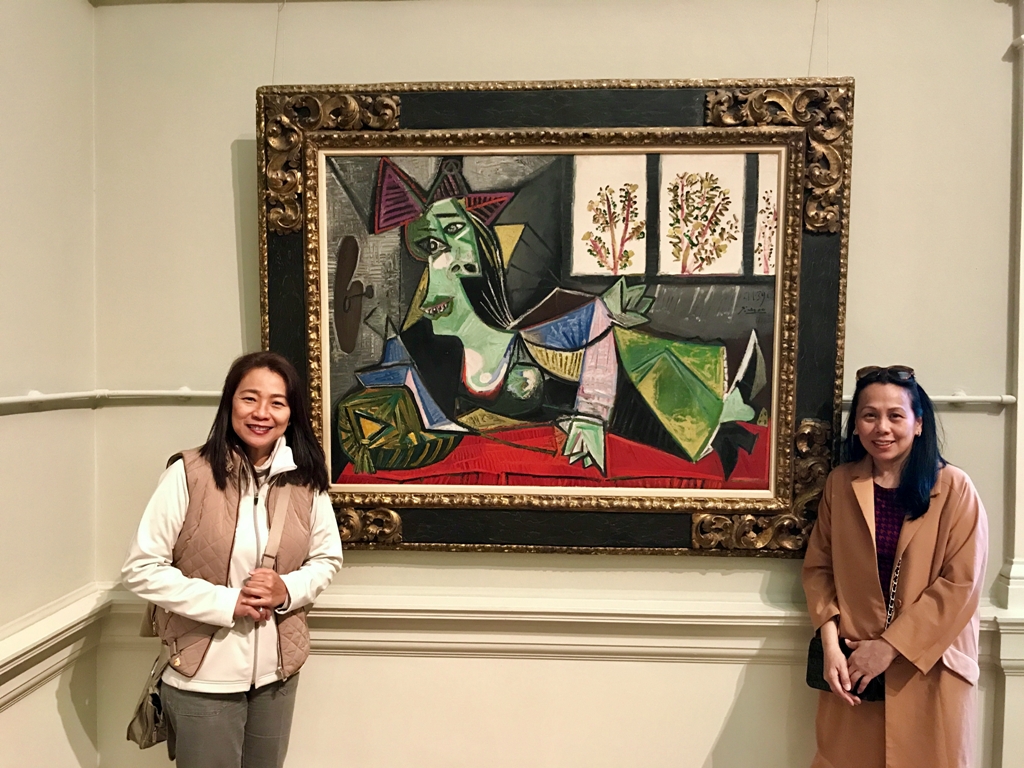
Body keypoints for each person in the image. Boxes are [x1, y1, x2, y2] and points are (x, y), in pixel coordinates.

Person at [122, 352, 343, 768]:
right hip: (202, 677)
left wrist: (286, 589)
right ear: (230, 402)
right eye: (249, 398)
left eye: (277, 402)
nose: (262, 413)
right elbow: (141, 568)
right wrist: (228, 603)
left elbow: (327, 558)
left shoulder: (306, 479)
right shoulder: (188, 473)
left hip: (277, 676)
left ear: (291, 413)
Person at [802, 365, 988, 768]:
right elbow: (819, 570)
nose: (881, 428)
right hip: (854, 670)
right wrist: (830, 647)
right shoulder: (840, 484)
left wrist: (889, 647)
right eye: (869, 415)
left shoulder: (955, 489)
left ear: (918, 424)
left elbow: (961, 584)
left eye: (895, 415)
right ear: (856, 426)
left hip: (930, 669)